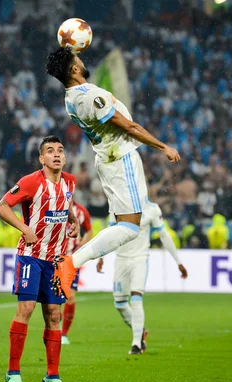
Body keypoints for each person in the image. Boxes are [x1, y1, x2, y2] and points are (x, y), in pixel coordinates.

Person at [46, 46, 181, 299]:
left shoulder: (71, 97)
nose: (82, 60)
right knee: (130, 229)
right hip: (120, 159)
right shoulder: (89, 97)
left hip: (110, 158)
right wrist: (163, 146)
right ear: (74, 69)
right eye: (78, 59)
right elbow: (128, 126)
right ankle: (71, 264)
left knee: (132, 222)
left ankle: (71, 263)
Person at [0, 135, 79, 382]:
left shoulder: (70, 182)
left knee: (54, 315)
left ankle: (52, 376)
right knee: (27, 308)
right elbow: (1, 207)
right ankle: (13, 372)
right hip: (31, 255)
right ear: (41, 158)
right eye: (50, 151)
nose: (56, 154)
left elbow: (67, 204)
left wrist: (73, 219)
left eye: (60, 150)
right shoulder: (31, 182)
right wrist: (23, 227)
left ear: (64, 158)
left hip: (57, 259)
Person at [97, 201, 187, 354]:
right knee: (120, 303)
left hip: (140, 258)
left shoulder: (151, 208)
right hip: (121, 259)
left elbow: (164, 235)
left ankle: (136, 344)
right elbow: (109, 233)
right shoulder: (118, 205)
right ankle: (141, 330)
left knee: (136, 297)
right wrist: (101, 256)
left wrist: (178, 261)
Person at [61, 201, 93, 345]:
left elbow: (89, 231)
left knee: (70, 296)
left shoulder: (81, 211)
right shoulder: (55, 205)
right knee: (54, 298)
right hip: (53, 258)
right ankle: (54, 330)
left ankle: (64, 334)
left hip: (73, 259)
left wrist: (83, 242)